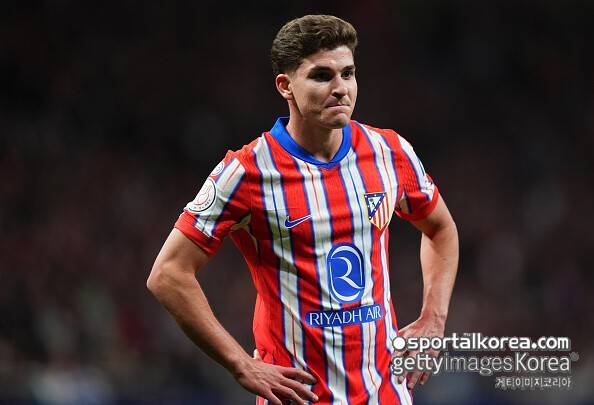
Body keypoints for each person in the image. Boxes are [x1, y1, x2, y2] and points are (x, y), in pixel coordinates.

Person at [147, 14, 458, 405]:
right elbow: (168, 274)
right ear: (286, 86)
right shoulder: (247, 171)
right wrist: (240, 364)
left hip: (386, 393)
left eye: (348, 74)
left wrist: (434, 318)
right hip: (297, 396)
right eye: (322, 76)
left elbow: (440, 228)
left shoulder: (389, 152)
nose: (340, 88)